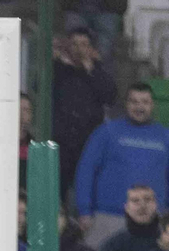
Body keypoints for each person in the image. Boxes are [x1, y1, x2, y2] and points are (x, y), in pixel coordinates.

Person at [74, 83, 169, 251]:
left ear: (152, 105)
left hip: (152, 221)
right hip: (108, 218)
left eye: (144, 102)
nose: (139, 107)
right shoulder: (106, 132)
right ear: (126, 104)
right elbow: (86, 170)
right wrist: (84, 210)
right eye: (134, 102)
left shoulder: (164, 136)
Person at [52, 26, 116, 201]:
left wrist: (92, 71)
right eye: (74, 44)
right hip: (61, 146)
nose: (79, 49)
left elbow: (110, 97)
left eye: (83, 44)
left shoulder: (98, 72)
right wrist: (58, 63)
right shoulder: (59, 70)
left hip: (88, 144)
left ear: (91, 49)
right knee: (58, 195)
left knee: (87, 194)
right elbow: (39, 87)